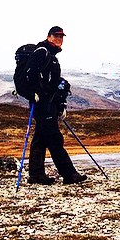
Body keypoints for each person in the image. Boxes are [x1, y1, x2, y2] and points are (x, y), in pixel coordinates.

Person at [26, 26, 88, 185]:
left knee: (40, 139)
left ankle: (36, 175)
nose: (59, 39)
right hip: (42, 103)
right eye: (56, 36)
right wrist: (34, 93)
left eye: (61, 37)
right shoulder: (42, 52)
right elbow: (30, 73)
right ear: (49, 36)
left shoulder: (51, 56)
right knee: (54, 138)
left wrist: (60, 104)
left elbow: (53, 82)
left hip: (49, 103)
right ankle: (69, 174)